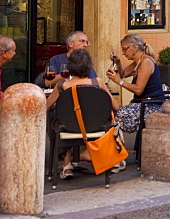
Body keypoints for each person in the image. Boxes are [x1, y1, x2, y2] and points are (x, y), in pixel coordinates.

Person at [47, 49, 120, 180]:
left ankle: (66, 162)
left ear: (70, 66)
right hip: (96, 127)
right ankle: (87, 158)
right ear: (89, 66)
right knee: (74, 119)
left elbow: (45, 107)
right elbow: (116, 106)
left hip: (68, 128)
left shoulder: (62, 85)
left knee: (61, 120)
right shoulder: (98, 82)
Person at [106, 33, 166, 133]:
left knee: (116, 116)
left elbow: (138, 89)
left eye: (125, 49)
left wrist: (119, 81)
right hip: (141, 104)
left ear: (135, 47)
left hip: (151, 105)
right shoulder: (138, 61)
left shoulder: (146, 62)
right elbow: (124, 73)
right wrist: (118, 62)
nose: (123, 53)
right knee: (111, 114)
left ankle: (113, 145)